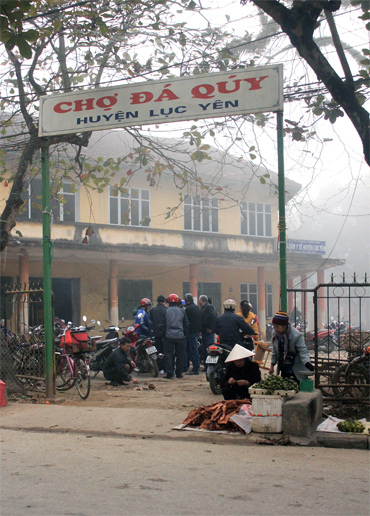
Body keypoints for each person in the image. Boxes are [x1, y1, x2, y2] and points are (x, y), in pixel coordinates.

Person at [269, 311, 314, 382]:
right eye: (274, 326)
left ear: (284, 326)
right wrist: (272, 365)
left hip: (295, 368)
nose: (275, 328)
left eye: (277, 326)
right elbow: (275, 352)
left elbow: (303, 351)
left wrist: (307, 363)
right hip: (284, 367)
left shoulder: (296, 335)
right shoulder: (275, 335)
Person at [163, 293, 189, 379]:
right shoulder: (182, 311)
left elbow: (163, 324)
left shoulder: (166, 311)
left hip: (169, 336)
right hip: (180, 336)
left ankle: (170, 373)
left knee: (168, 355)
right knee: (180, 355)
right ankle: (179, 373)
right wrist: (185, 333)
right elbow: (186, 323)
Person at [183, 293, 201, 375]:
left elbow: (186, 321)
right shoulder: (196, 308)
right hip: (196, 331)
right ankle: (195, 367)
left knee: (192, 350)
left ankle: (194, 368)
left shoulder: (188, 309)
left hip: (190, 332)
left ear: (187, 300)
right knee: (194, 349)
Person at [198, 294, 217, 369]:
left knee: (209, 349)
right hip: (204, 331)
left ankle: (210, 366)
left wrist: (211, 328)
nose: (198, 302)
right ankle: (206, 365)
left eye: (199, 300)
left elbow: (213, 318)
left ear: (202, 300)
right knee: (205, 349)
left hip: (208, 332)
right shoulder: (204, 308)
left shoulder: (209, 308)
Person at [150, 295, 167, 374]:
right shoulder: (166, 310)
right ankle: (166, 367)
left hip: (156, 333)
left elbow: (151, 320)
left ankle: (160, 367)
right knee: (166, 351)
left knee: (158, 351)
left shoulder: (153, 310)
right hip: (165, 333)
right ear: (164, 302)